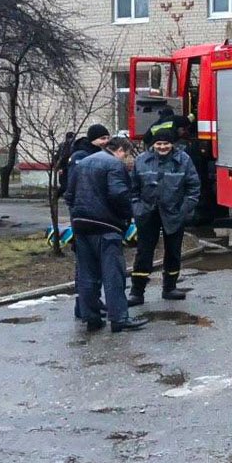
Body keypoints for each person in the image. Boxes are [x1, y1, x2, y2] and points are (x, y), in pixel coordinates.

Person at [64, 136, 147, 333]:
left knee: (87, 274)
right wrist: (127, 217)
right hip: (106, 226)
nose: (126, 159)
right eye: (126, 155)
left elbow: (69, 195)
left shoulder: (83, 163)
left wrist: (77, 217)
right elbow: (119, 194)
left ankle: (91, 317)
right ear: (120, 150)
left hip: (81, 225)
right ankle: (119, 318)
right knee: (113, 275)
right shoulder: (114, 165)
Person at [128, 127, 202, 305]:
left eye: (166, 144)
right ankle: (137, 292)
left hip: (174, 213)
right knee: (144, 253)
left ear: (172, 144)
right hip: (148, 213)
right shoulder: (141, 160)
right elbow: (132, 189)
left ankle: (170, 288)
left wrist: (184, 210)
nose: (162, 147)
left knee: (173, 251)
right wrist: (137, 208)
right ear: (153, 144)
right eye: (159, 144)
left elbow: (193, 188)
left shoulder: (184, 160)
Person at [64, 123, 112, 321]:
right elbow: (73, 189)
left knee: (93, 264)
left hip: (95, 215)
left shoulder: (99, 155)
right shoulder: (80, 157)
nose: (106, 142)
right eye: (102, 138)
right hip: (83, 216)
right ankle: (82, 305)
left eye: (107, 138)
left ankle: (92, 302)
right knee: (84, 265)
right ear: (93, 139)